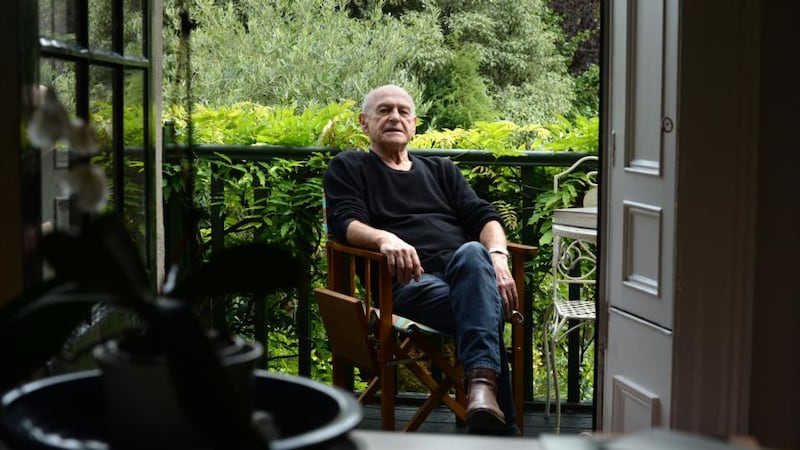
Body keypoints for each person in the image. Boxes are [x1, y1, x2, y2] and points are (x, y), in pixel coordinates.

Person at [323, 84, 519, 435]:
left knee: (475, 254)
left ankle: (482, 397)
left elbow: (484, 216)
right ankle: (497, 424)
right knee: (484, 304)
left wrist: (500, 259)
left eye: (402, 111)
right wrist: (385, 238)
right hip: (406, 285)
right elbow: (344, 222)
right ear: (364, 122)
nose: (394, 117)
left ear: (414, 124)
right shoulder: (350, 166)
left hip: (466, 275)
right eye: (383, 110)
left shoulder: (442, 170)